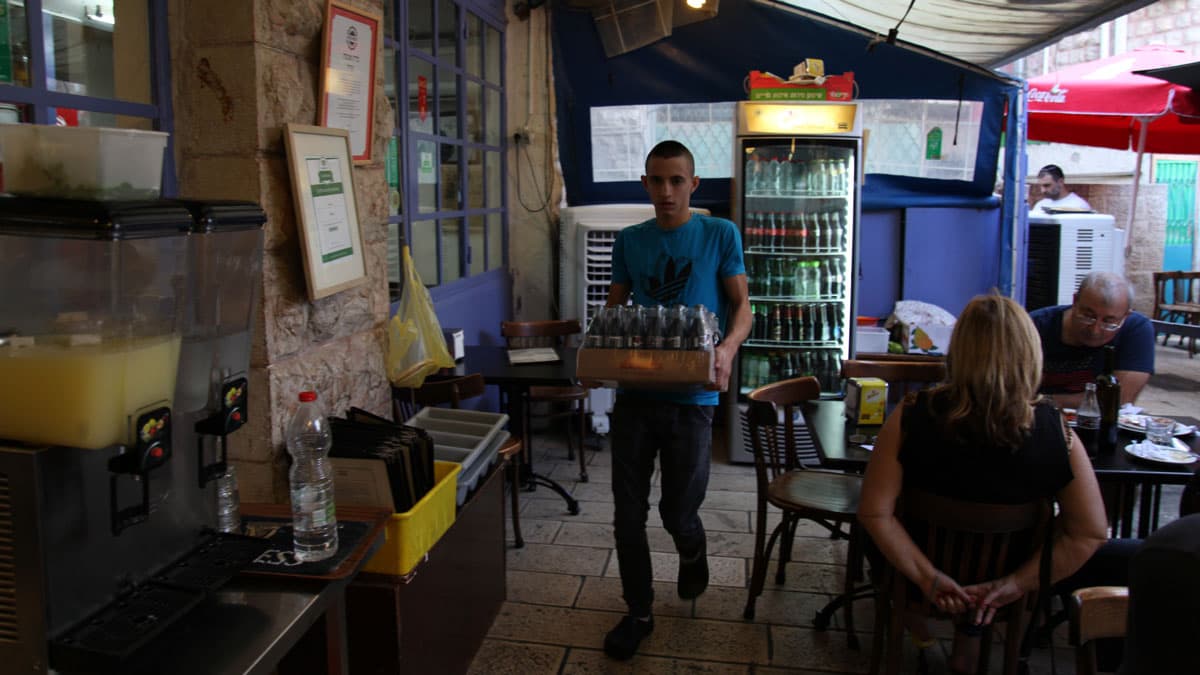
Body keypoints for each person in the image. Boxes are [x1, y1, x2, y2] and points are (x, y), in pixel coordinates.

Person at [858, 294, 1108, 673]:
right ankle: (973, 635)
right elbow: (1090, 533)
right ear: (1029, 353)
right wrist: (1014, 585)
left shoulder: (911, 414)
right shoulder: (1056, 430)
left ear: (959, 350)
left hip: (918, 579)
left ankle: (917, 622)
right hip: (1005, 590)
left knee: (869, 529)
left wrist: (930, 578)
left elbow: (874, 513)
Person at [597, 140, 751, 661]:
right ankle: (638, 612)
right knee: (627, 514)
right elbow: (615, 310)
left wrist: (727, 349)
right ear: (645, 184)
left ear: (693, 184)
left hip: (694, 397)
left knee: (678, 511)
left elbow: (741, 306)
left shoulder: (719, 234)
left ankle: (693, 547)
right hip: (638, 393)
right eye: (657, 181)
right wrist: (601, 349)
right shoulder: (630, 241)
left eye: (676, 181)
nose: (666, 191)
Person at [1029, 271, 1155, 407]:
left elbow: (1119, 399)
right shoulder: (1034, 326)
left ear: (1126, 315)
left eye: (1109, 322)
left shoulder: (1136, 329)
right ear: (1075, 302)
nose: (1095, 330)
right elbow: (1011, 392)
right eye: (1088, 316)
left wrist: (1042, 400)